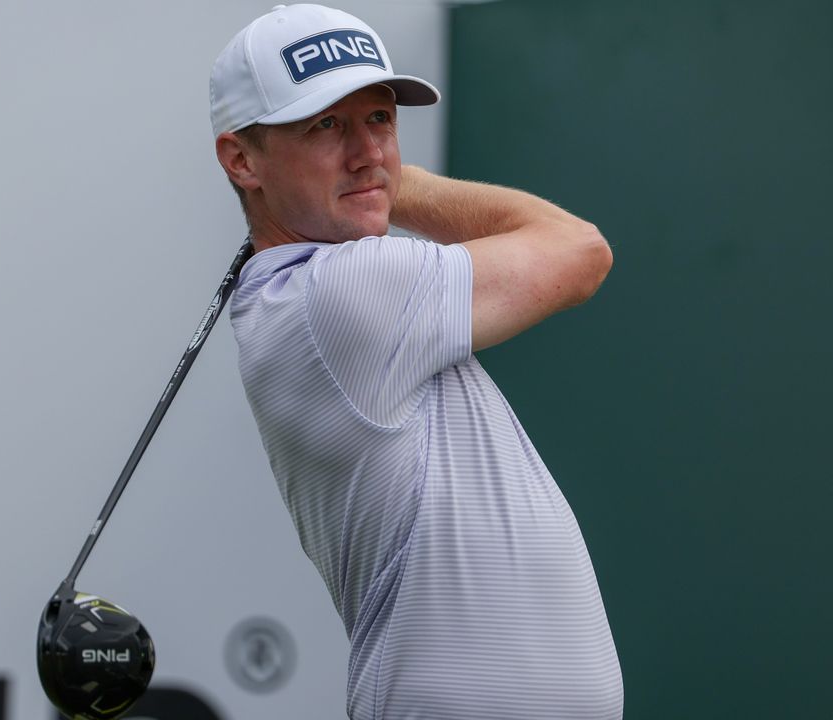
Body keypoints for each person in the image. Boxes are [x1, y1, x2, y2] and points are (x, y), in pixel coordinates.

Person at [211, 4, 622, 718]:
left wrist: (369, 177)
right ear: (242, 160)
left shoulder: (318, 293)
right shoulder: (338, 296)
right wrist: (392, 184)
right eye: (326, 125)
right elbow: (580, 251)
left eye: (379, 120)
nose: (368, 149)